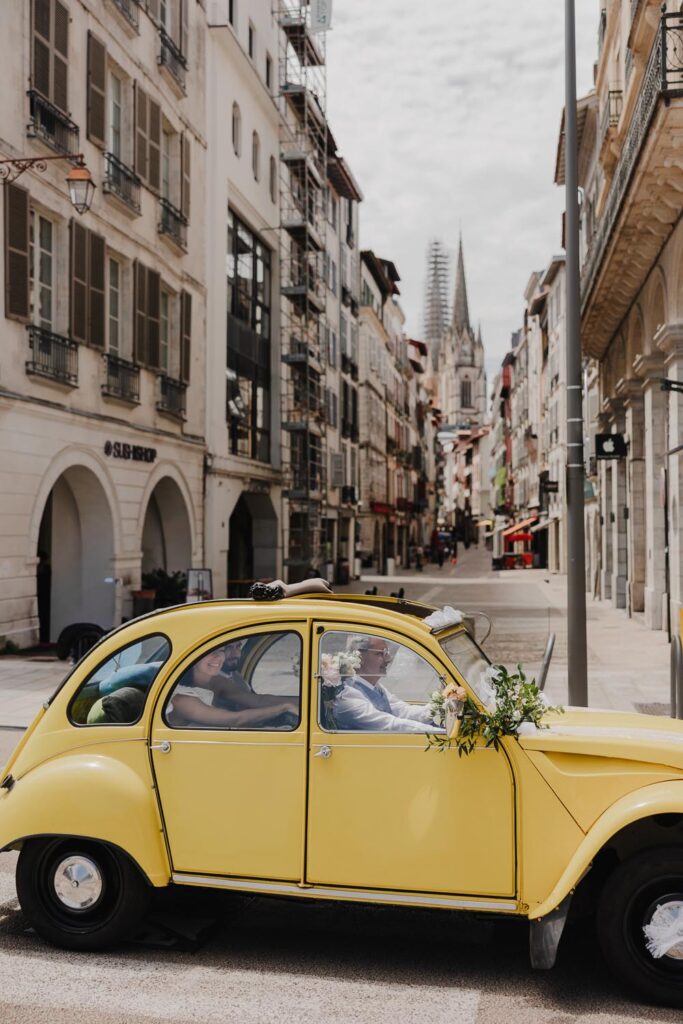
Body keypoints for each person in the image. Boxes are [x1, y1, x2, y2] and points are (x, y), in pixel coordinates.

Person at [167, 642, 298, 728]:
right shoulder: (182, 700)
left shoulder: (216, 681)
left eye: (221, 650)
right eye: (211, 651)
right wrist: (283, 708)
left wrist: (309, 702)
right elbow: (235, 720)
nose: (218, 657)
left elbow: (258, 700)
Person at [331, 636, 443, 734]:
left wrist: (441, 706)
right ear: (360, 657)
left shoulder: (373, 686)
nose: (388, 659)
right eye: (380, 653)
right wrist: (440, 733)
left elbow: (403, 711)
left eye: (387, 653)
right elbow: (392, 725)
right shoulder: (346, 697)